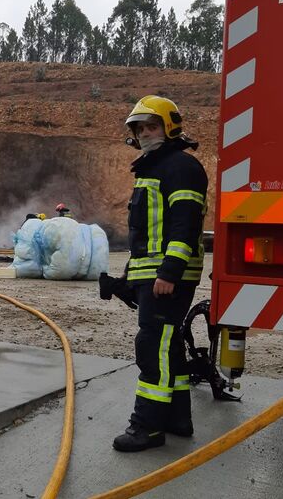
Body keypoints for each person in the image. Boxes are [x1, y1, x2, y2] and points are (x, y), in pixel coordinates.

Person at [113, 95, 207, 453]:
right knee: (168, 345)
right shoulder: (153, 168)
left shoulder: (180, 167)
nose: (145, 134)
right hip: (154, 275)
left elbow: (183, 225)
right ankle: (177, 418)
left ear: (170, 127)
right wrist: (129, 279)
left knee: (153, 346)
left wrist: (169, 272)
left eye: (151, 126)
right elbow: (147, 233)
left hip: (168, 278)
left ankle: (148, 427)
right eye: (139, 128)